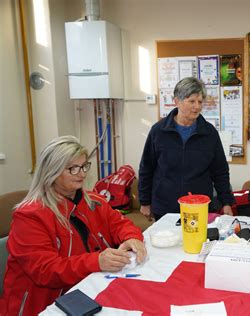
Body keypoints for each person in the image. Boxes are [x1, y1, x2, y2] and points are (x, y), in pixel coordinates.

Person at [0, 136, 146, 315]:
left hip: (87, 287)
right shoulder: (30, 216)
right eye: (73, 168)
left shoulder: (93, 201)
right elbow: (45, 271)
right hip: (45, 303)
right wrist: (97, 261)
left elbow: (120, 224)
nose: (82, 174)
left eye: (84, 166)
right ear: (52, 171)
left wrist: (131, 238)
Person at [139, 77, 234, 220]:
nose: (197, 107)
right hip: (165, 208)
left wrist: (226, 202)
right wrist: (145, 201)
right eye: (192, 101)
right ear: (177, 101)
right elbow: (146, 168)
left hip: (199, 208)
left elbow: (220, 171)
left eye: (200, 102)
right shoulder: (158, 131)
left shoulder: (209, 133)